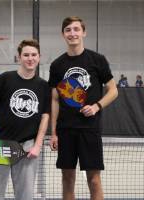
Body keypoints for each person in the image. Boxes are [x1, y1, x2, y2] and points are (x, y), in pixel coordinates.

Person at [48, 16, 118, 200]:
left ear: (83, 32)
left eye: (76, 29)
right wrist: (53, 132)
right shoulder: (57, 65)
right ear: (63, 34)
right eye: (68, 30)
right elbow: (55, 100)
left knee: (94, 180)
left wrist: (97, 106)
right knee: (67, 179)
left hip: (90, 129)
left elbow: (113, 90)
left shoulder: (97, 60)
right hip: (65, 130)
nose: (73, 33)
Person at [0, 39, 51, 200]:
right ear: (19, 57)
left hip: (27, 147)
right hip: (1, 144)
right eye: (26, 55)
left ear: (39, 57)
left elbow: (45, 116)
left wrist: (37, 145)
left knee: (25, 195)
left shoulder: (43, 86)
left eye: (34, 55)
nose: (30, 58)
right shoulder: (5, 79)